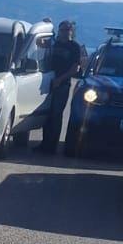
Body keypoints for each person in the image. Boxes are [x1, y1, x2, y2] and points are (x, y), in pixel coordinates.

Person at [37, 19, 86, 154]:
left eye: (67, 30)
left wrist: (60, 79)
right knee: (47, 114)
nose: (64, 32)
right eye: (62, 30)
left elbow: (75, 68)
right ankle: (44, 144)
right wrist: (45, 25)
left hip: (63, 84)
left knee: (56, 115)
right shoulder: (54, 43)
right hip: (48, 82)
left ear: (71, 31)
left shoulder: (74, 47)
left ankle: (52, 146)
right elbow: (40, 43)